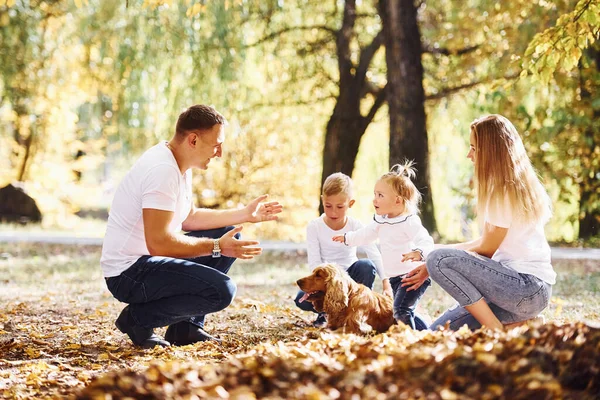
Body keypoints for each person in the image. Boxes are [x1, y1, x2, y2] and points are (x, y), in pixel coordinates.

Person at [100, 104, 283, 348]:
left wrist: (244, 215)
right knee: (221, 291)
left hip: (145, 262)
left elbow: (189, 218)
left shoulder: (177, 163)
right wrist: (217, 247)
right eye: (216, 144)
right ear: (193, 140)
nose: (219, 153)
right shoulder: (162, 170)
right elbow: (159, 243)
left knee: (228, 234)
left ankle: (185, 328)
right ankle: (137, 320)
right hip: (128, 273)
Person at [402, 114, 556, 331]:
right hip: (526, 294)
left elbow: (485, 249)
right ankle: (522, 324)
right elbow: (487, 243)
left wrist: (431, 257)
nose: (469, 155)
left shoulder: (503, 192)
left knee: (437, 259)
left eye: (474, 148)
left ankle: (496, 330)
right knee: (438, 331)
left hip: (524, 289)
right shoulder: (517, 185)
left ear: (490, 151)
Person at [333, 162, 434, 330]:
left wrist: (419, 252)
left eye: (380, 195)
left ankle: (408, 341)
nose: (375, 199)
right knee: (404, 311)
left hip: (412, 276)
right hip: (395, 277)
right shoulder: (381, 221)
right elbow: (365, 235)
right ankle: (427, 332)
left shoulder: (409, 221)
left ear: (397, 201)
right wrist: (347, 237)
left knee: (401, 311)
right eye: (375, 194)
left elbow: (426, 240)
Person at [295, 172, 387, 327]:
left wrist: (386, 282)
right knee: (301, 301)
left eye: (340, 206)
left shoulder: (356, 226)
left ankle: (361, 311)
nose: (333, 212)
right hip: (325, 280)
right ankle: (327, 315)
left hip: (350, 278)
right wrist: (326, 284)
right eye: (328, 206)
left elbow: (374, 254)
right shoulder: (314, 227)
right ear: (322, 199)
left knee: (366, 266)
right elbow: (315, 263)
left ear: (350, 203)